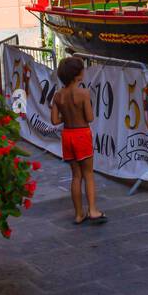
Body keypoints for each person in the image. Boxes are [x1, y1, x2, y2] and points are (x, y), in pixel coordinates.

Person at [50, 56, 107, 225]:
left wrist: (67, 117)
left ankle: (78, 214)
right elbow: (89, 117)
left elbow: (54, 121)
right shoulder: (83, 93)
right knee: (88, 174)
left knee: (76, 176)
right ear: (78, 75)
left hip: (67, 135)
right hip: (81, 134)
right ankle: (93, 210)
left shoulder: (58, 96)